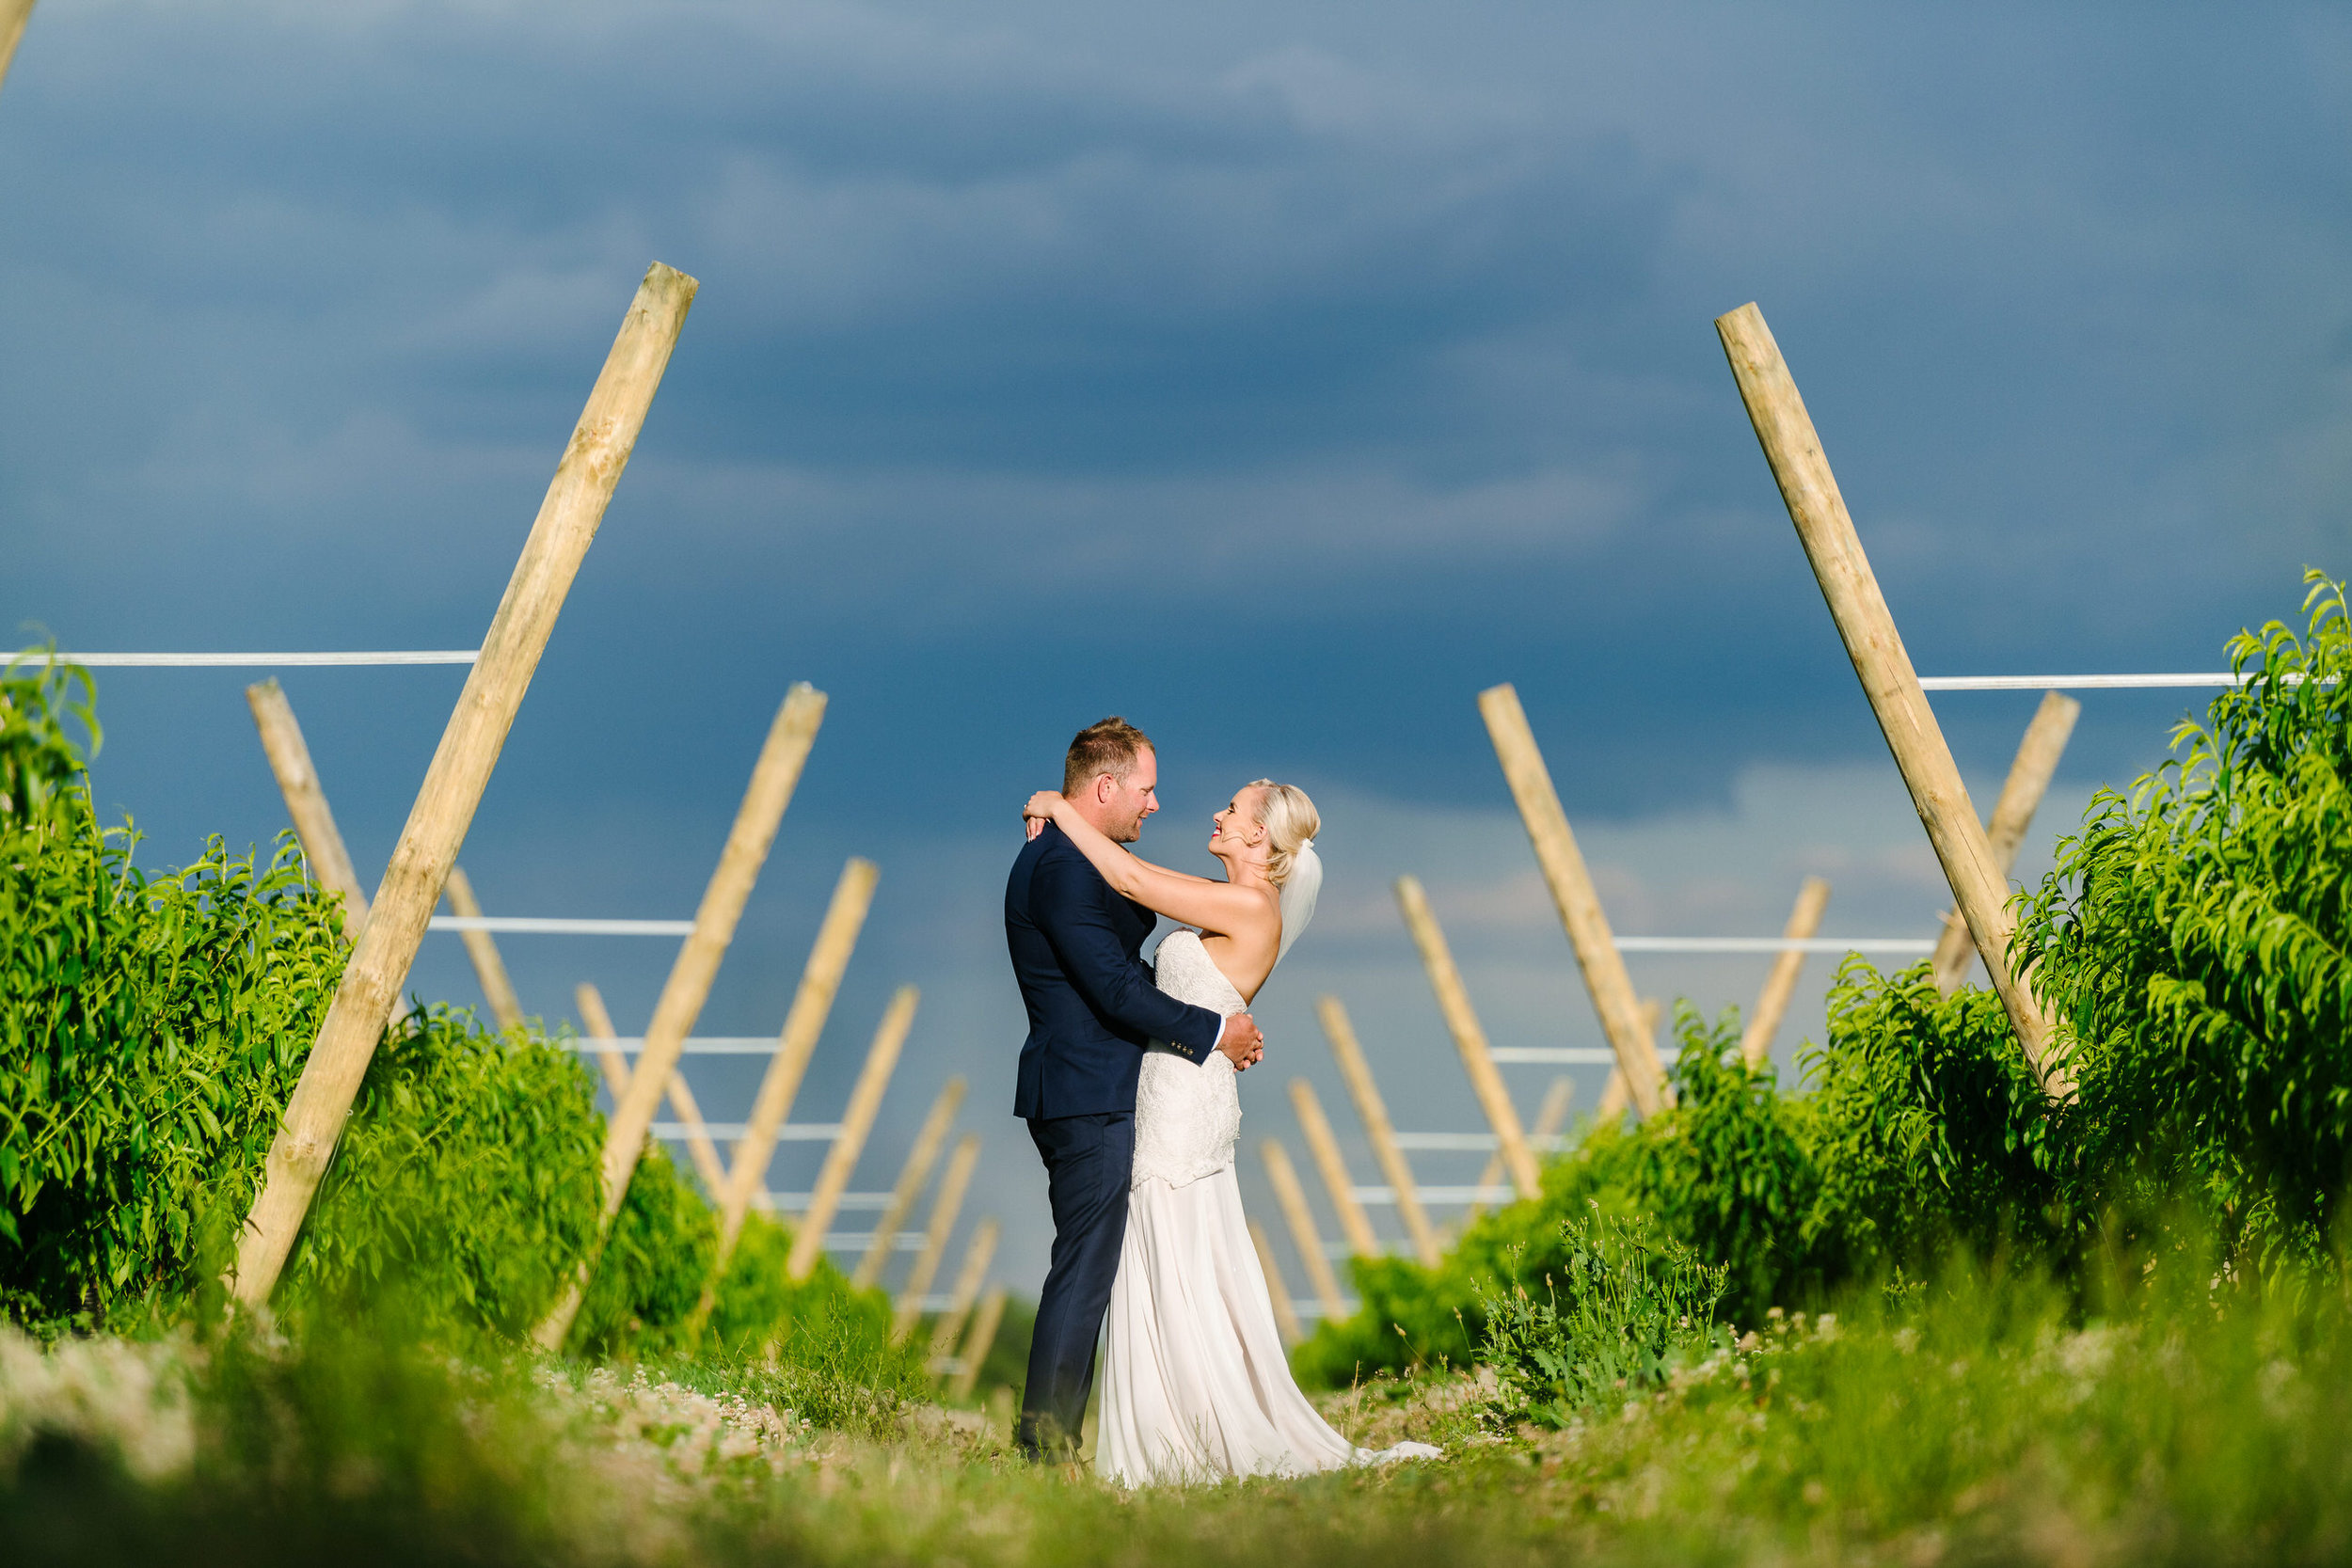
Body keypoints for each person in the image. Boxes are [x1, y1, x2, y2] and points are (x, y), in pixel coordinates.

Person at [1021, 764, 1441, 1485]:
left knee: (1173, 1249)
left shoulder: (1252, 907)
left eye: (1233, 808)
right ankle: (1170, 1428)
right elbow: (1137, 876)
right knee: (1161, 1256)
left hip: (1182, 1109)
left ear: (1259, 834)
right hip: (1170, 1094)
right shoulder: (1230, 898)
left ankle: (1184, 1438)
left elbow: (1130, 881)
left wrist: (1061, 807)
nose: (1217, 813)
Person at [1005, 717, 1265, 1461]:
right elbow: (1117, 990)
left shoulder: (1070, 853)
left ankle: (1076, 1439)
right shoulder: (1062, 868)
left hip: (1092, 1087)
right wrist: (1216, 1032)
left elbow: (1120, 972)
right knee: (1083, 1273)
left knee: (1090, 1268)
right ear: (1105, 785)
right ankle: (1046, 1449)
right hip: (1086, 1093)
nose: (1154, 804)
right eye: (1146, 789)